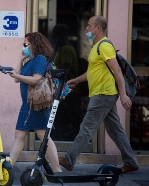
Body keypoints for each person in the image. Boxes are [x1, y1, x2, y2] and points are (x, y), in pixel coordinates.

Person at [59, 15, 139, 173]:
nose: (86, 29)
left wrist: (123, 95)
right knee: (115, 130)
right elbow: (92, 72)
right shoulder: (96, 47)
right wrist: (76, 80)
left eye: (89, 26)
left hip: (104, 94)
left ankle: (69, 159)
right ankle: (131, 162)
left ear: (98, 29)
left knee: (87, 127)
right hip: (102, 93)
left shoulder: (104, 46)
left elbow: (117, 71)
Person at [8, 32, 62, 172]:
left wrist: (17, 75)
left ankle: (56, 169)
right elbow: (16, 79)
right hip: (27, 105)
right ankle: (8, 167)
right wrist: (20, 59)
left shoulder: (39, 59)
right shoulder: (30, 60)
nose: (24, 47)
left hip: (37, 105)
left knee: (43, 136)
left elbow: (36, 79)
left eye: (26, 44)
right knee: (20, 135)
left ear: (35, 45)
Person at [51, 24, 83, 140]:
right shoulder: (60, 49)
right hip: (63, 90)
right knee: (63, 118)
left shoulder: (66, 49)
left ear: (63, 35)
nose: (54, 36)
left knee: (74, 118)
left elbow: (66, 70)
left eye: (56, 34)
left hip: (69, 90)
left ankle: (79, 141)